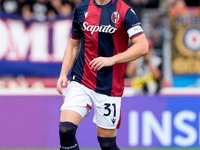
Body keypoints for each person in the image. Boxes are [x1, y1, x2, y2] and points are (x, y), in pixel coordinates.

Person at [56, 0, 148, 149]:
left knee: (107, 143)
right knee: (66, 129)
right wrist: (63, 74)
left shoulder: (124, 11)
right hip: (81, 79)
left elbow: (142, 46)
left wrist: (112, 60)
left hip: (109, 86)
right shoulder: (82, 8)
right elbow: (73, 45)